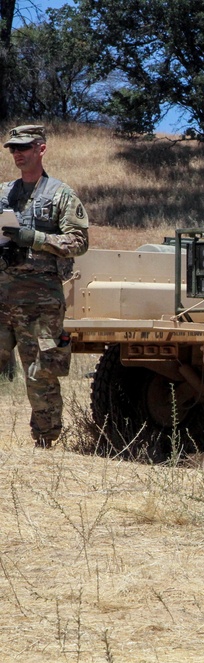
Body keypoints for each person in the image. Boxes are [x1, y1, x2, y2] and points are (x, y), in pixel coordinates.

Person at [0, 125, 89, 449]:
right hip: (2, 298)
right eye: (12, 148)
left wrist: (35, 238)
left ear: (41, 148)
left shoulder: (60, 194)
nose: (17, 153)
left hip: (41, 302)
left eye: (23, 147)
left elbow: (79, 243)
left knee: (42, 374)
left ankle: (45, 442)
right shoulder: (2, 194)